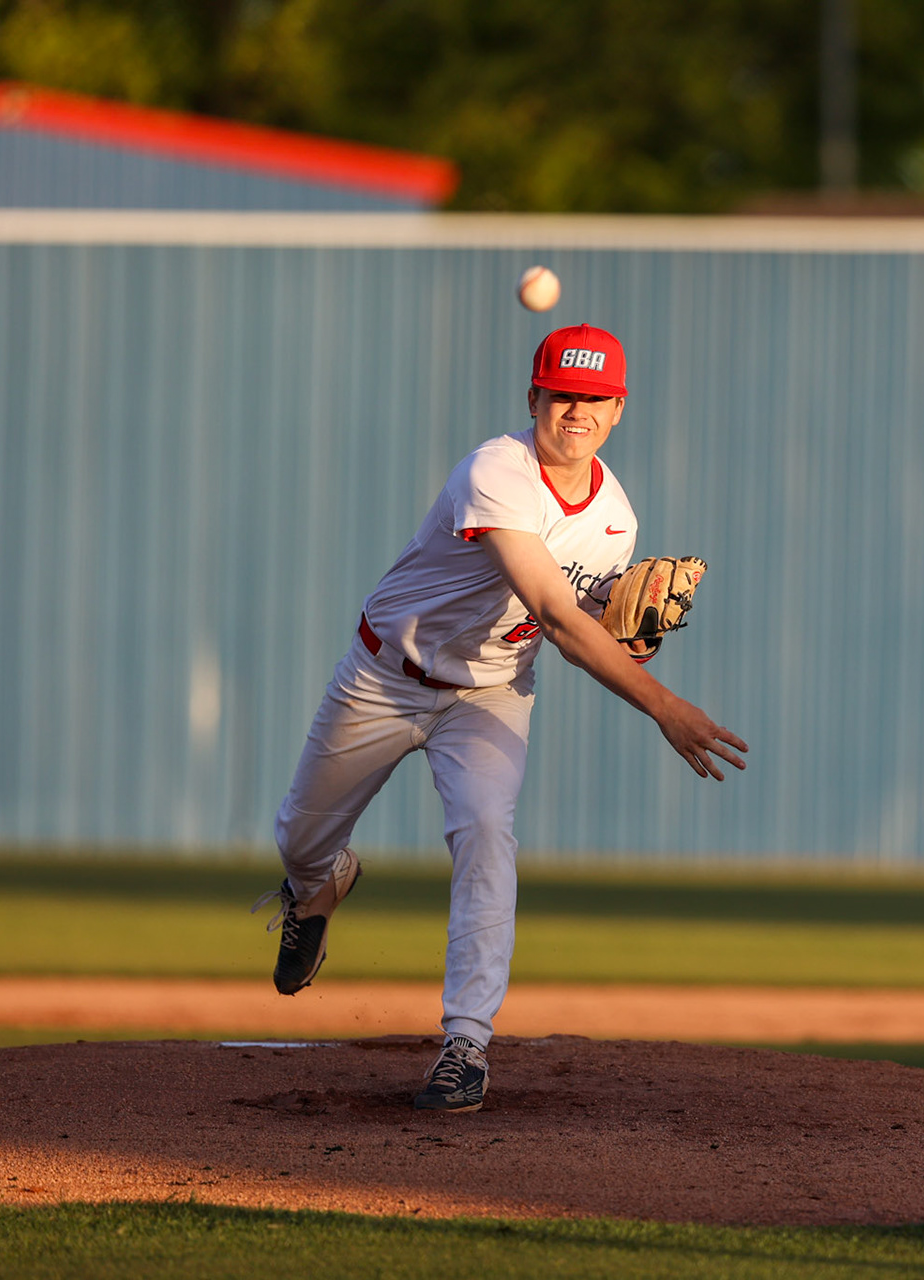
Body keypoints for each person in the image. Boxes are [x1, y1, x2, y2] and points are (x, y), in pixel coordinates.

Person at [254, 322, 747, 1113]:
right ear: (534, 399)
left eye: (593, 398)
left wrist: (638, 634)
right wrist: (664, 706)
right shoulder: (496, 469)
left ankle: (466, 1045)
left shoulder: (616, 519)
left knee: (487, 833)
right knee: (299, 838)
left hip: (490, 694)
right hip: (385, 676)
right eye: (561, 395)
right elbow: (555, 612)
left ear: (617, 409)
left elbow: (594, 620)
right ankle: (319, 885)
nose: (575, 410)